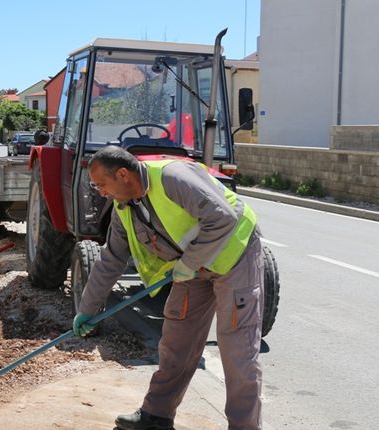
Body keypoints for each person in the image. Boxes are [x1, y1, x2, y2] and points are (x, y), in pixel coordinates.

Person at [73, 145, 263, 430]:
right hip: (192, 267)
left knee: (237, 349)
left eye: (102, 184)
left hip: (234, 255)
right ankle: (157, 416)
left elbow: (223, 218)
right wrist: (86, 309)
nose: (101, 192)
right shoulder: (123, 208)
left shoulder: (172, 177)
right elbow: (110, 259)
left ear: (123, 174)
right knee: (176, 341)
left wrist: (189, 263)